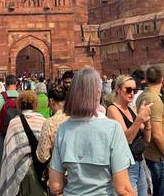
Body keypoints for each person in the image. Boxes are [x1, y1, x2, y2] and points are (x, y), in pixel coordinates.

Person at [49, 67, 135, 196]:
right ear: (98, 92)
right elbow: (123, 188)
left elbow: (55, 186)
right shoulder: (112, 129)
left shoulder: (63, 129)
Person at [106, 74, 152, 196]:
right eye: (128, 89)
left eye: (134, 90)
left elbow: (147, 139)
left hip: (139, 162)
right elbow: (127, 139)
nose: (132, 93)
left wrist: (147, 122)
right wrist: (139, 119)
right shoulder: (113, 110)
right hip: (126, 166)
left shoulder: (130, 109)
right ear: (118, 89)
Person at [0, 91, 47, 196]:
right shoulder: (43, 120)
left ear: (19, 104)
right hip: (39, 168)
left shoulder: (14, 122)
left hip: (19, 168)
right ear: (35, 103)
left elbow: (9, 150)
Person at [136, 66, 164, 196]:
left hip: (151, 153)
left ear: (146, 79)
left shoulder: (142, 96)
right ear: (163, 80)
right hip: (160, 156)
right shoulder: (155, 100)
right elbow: (157, 134)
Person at [0, 75, 19, 165]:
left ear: (6, 84)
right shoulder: (21, 97)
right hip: (18, 132)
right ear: (16, 84)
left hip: (2, 133)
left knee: (3, 163)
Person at [37, 85, 69, 163]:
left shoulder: (49, 123)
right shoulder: (75, 117)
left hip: (57, 169)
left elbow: (43, 156)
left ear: (51, 101)